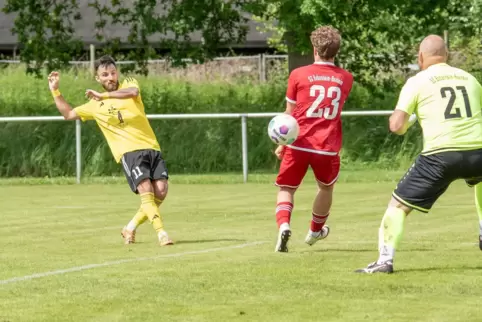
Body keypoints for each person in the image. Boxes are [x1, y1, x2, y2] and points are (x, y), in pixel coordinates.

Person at [356, 35, 482, 274]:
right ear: (447, 55)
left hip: (441, 155)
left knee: (398, 205)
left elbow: (396, 126)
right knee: (480, 179)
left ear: (420, 56)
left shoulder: (418, 81)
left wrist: (408, 123)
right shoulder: (470, 79)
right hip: (478, 150)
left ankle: (384, 260)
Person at [48, 55, 173, 246]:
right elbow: (69, 114)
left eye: (113, 73)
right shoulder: (94, 105)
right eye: (105, 75)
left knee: (161, 191)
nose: (110, 77)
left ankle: (129, 228)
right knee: (146, 190)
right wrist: (55, 91)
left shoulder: (128, 84)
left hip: (151, 147)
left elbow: (132, 92)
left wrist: (104, 96)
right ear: (98, 79)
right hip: (129, 153)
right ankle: (161, 233)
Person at [274, 26, 354, 252]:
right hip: (327, 146)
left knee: (286, 188)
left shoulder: (298, 74)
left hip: (298, 142)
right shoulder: (346, 78)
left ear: (314, 48)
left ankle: (284, 226)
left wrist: (282, 143)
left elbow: (289, 115)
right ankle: (314, 231)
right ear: (336, 51)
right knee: (326, 188)